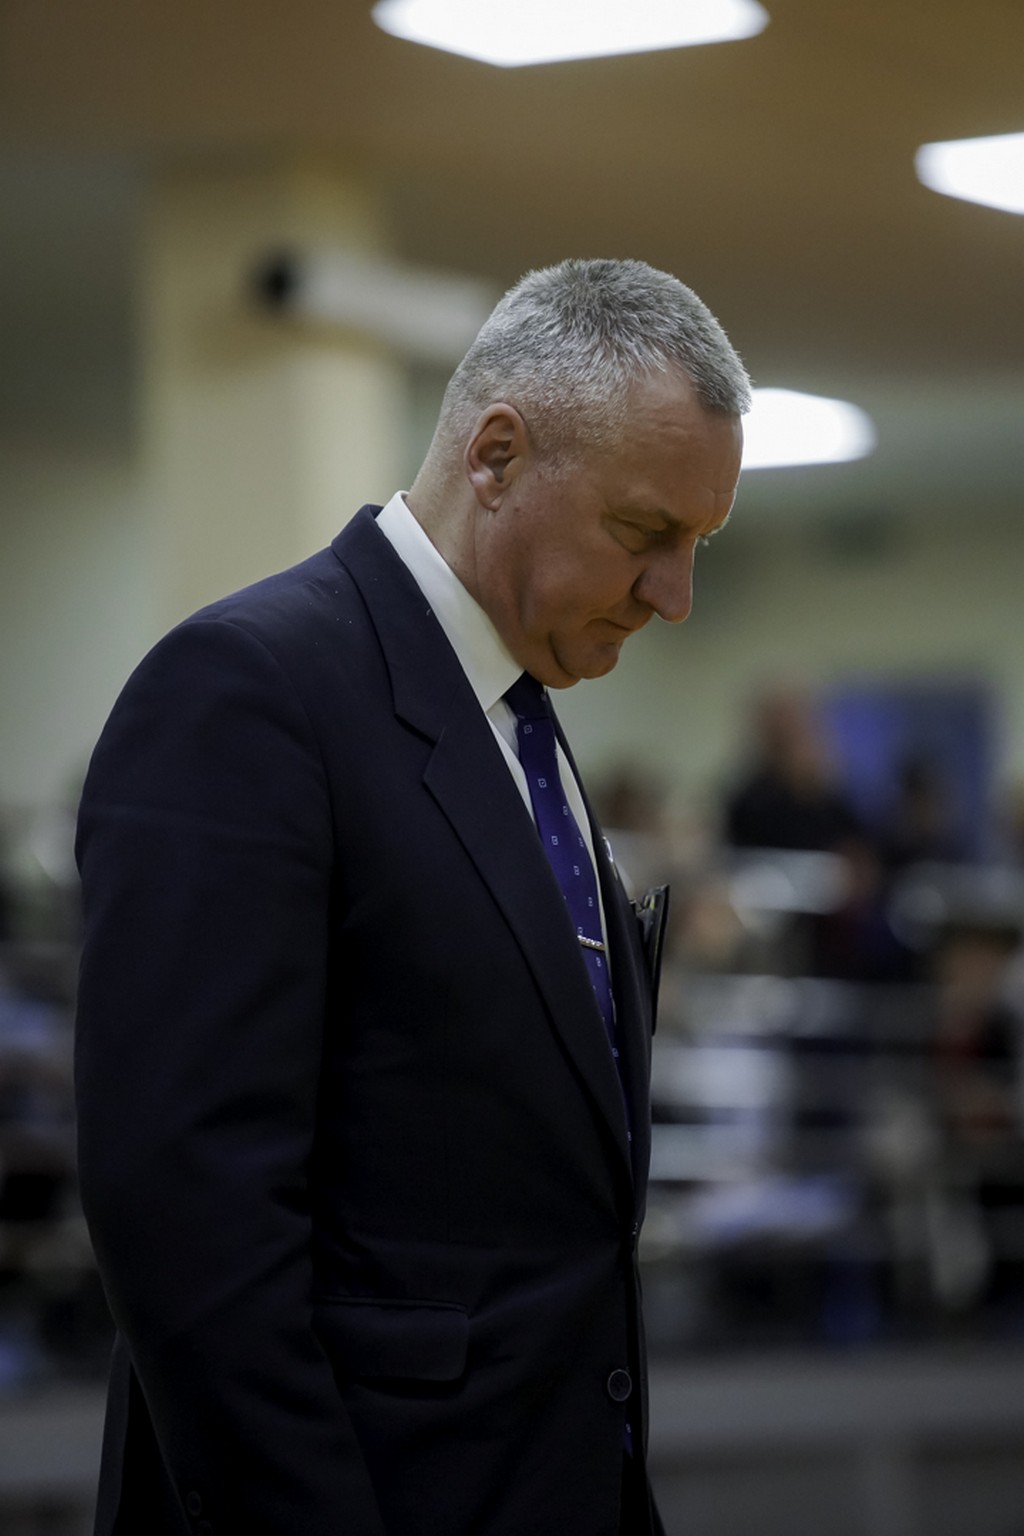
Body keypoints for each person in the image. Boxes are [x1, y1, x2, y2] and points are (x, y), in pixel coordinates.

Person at [74, 258, 748, 1536]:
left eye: (696, 547)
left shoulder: (520, 717)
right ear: (495, 457)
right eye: (644, 534)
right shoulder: (248, 690)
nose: (674, 596)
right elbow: (188, 1220)